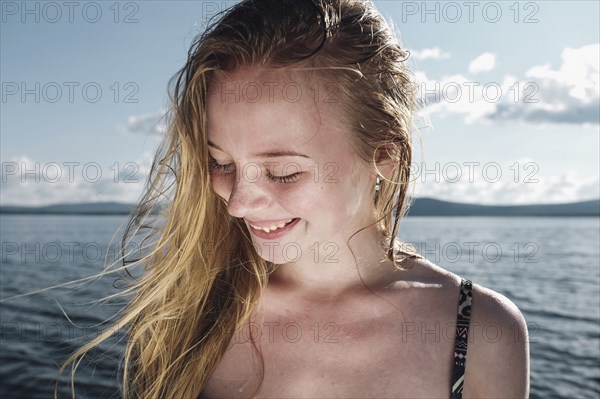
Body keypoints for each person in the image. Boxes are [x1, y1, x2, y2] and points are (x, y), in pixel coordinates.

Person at [59, 0, 529, 398]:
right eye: (222, 163)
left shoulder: (480, 332)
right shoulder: (191, 308)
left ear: (384, 153)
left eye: (284, 172)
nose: (238, 202)